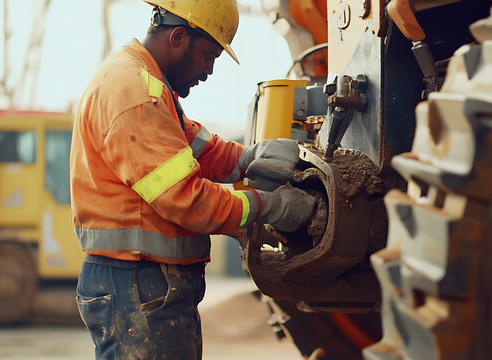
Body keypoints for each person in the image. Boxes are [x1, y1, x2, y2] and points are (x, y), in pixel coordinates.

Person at [69, 1, 316, 358]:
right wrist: (269, 207)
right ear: (178, 36)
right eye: (208, 56)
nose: (209, 71)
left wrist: (248, 159)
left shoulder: (144, 83)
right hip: (138, 284)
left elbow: (196, 146)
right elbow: (186, 198)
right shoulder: (136, 93)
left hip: (140, 283)